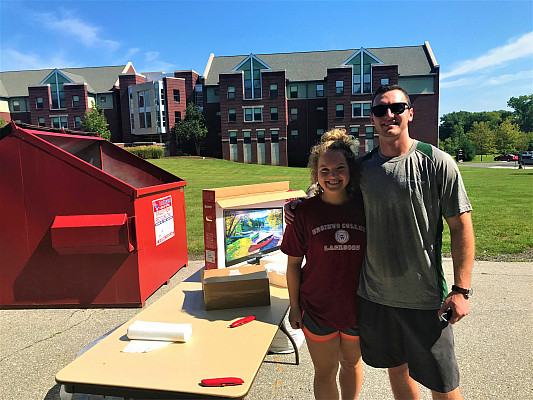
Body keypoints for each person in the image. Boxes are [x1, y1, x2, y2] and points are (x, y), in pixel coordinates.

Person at [286, 85, 475, 400]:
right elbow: (332, 183)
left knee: (442, 380)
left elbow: (461, 227)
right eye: (380, 110)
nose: (389, 115)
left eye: (397, 108)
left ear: (410, 113)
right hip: (375, 299)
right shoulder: (364, 168)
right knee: (397, 370)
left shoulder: (437, 162)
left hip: (425, 297)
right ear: (372, 119)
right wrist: (302, 200)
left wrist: (461, 290)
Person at [281, 129, 366, 400]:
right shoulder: (303, 213)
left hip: (359, 308)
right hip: (317, 310)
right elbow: (293, 264)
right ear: (315, 173)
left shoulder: (366, 208)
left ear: (350, 170)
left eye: (340, 168)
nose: (332, 176)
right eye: (324, 170)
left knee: (351, 364)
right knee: (325, 371)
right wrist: (294, 307)